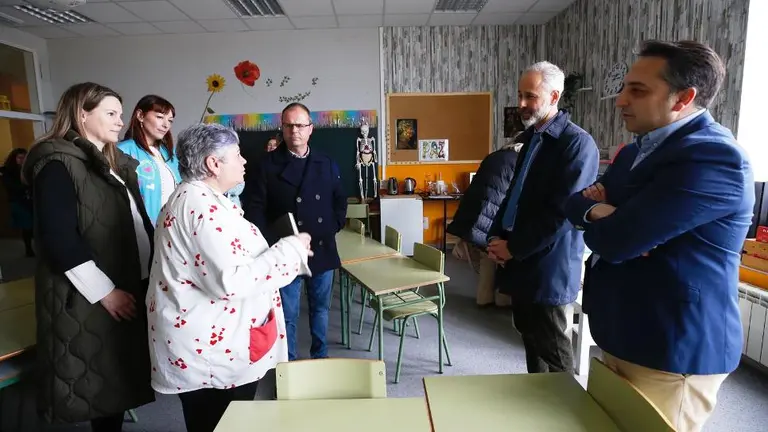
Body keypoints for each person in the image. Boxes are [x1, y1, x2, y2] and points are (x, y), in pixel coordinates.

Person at [565, 40, 753, 432]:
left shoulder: (714, 158)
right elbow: (573, 203)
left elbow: (618, 241)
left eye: (637, 90)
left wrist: (613, 222)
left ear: (684, 98)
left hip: (672, 345)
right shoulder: (634, 152)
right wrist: (600, 211)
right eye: (624, 88)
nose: (620, 101)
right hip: (625, 329)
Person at [148, 123, 312, 432]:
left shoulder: (203, 198)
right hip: (211, 352)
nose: (244, 160)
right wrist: (291, 249)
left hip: (214, 340)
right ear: (214, 163)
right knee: (219, 422)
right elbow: (231, 281)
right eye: (237, 155)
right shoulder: (200, 207)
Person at [21, 82, 154, 431]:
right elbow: (58, 238)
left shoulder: (111, 163)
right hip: (91, 293)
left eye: (120, 114)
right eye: (111, 113)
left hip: (126, 281)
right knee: (101, 385)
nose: (120, 121)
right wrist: (106, 292)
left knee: (115, 382)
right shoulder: (57, 163)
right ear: (82, 114)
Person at [486, 61, 599, 374]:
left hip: (548, 264)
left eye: (530, 96)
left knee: (554, 350)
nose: (521, 103)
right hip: (521, 259)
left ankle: (567, 405)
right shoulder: (532, 140)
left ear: (554, 96)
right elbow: (514, 195)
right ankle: (536, 397)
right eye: (520, 94)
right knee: (530, 338)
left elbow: (561, 214)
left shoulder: (576, 144)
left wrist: (514, 247)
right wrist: (496, 236)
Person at [243, 102, 347, 361]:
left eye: (300, 125)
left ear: (311, 128)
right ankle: (288, 365)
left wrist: (333, 226)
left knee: (320, 310)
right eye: (289, 125)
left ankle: (320, 358)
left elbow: (339, 200)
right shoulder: (266, 165)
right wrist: (271, 242)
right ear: (282, 128)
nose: (294, 131)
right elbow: (255, 209)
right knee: (287, 314)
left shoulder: (326, 162)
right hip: (284, 250)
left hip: (321, 247)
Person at [447, 132, 524, 307]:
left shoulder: (494, 156)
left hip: (476, 208)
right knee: (500, 257)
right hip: (494, 212)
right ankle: (502, 300)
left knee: (486, 255)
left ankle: (484, 298)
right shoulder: (519, 161)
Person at [118, 95, 181, 225]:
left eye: (170, 121)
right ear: (140, 115)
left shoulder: (171, 154)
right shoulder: (123, 150)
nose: (166, 125)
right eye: (160, 117)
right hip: (138, 227)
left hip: (170, 228)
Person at [1, 148, 34, 256]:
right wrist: (26, 186)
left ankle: (30, 248)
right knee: (26, 225)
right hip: (18, 201)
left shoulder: (28, 169)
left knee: (31, 225)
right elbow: (12, 187)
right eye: (20, 157)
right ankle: (28, 249)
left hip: (29, 200)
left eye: (24, 157)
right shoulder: (8, 171)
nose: (22, 160)